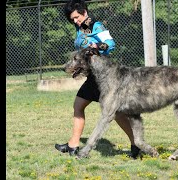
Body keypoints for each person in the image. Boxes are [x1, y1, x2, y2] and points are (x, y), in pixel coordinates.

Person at [55, 0, 140, 158]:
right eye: (72, 19)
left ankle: (136, 144)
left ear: (85, 12)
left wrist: (96, 47)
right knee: (81, 106)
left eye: (77, 17)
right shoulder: (83, 26)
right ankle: (73, 144)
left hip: (103, 77)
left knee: (117, 113)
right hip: (94, 76)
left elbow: (110, 44)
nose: (75, 21)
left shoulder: (95, 25)